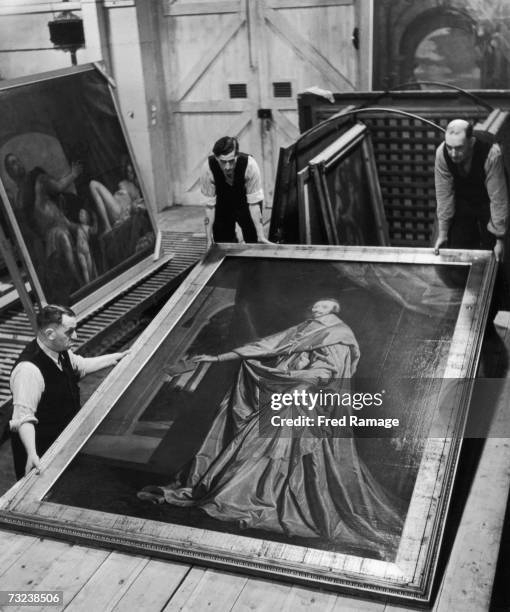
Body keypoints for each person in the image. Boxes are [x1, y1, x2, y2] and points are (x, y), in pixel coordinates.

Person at [138, 299, 402, 555]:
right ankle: (246, 491)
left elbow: (333, 371)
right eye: (315, 305)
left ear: (333, 311)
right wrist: (217, 358)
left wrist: (301, 380)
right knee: (257, 437)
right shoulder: (303, 330)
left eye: (322, 306)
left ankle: (255, 494)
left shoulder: (338, 333)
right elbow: (266, 346)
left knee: (278, 443)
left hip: (305, 393)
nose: (314, 308)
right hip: (292, 386)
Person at [9, 304, 129, 479]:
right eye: (69, 331)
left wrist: (116, 358)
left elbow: (81, 365)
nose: (76, 336)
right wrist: (32, 454)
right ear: (50, 334)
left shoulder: (60, 351)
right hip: (42, 449)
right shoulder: (28, 370)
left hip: (63, 439)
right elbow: (23, 418)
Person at [433, 118, 508, 261]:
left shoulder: (491, 154)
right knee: (457, 245)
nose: (453, 154)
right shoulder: (441, 154)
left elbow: (498, 199)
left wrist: (500, 239)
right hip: (464, 198)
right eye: (450, 147)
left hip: (488, 199)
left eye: (459, 148)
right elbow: (444, 196)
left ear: (471, 142)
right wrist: (443, 233)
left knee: (492, 251)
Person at [200, 136, 270, 246]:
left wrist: (260, 235)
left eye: (231, 161)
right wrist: (208, 240)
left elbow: (254, 204)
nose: (227, 167)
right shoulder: (208, 169)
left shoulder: (250, 165)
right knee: (223, 244)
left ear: (237, 156)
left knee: (254, 240)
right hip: (222, 205)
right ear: (217, 157)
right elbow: (209, 207)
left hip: (245, 203)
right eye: (223, 162)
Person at [88, 158, 145, 233]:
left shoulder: (135, 189)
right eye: (128, 171)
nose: (129, 174)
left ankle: (107, 227)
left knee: (93, 184)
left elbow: (135, 206)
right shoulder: (125, 183)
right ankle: (107, 225)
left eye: (131, 172)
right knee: (93, 185)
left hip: (119, 211)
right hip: (113, 209)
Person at [75, 208, 98, 284]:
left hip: (86, 250)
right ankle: (88, 284)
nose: (80, 215)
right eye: (79, 213)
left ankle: (91, 282)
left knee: (89, 268)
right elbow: (70, 225)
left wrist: (95, 220)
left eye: (82, 214)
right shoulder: (78, 227)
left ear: (86, 218)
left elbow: (95, 230)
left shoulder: (87, 227)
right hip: (79, 251)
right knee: (84, 267)